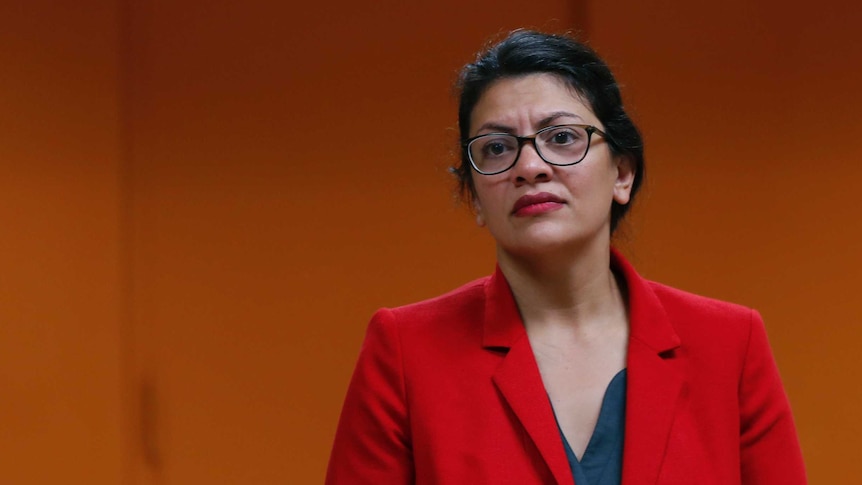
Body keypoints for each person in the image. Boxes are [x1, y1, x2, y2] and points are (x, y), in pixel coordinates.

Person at [325, 30, 806, 485]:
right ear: (473, 198)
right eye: (496, 148)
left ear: (622, 173)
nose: (530, 167)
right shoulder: (406, 353)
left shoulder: (729, 344)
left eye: (561, 138)